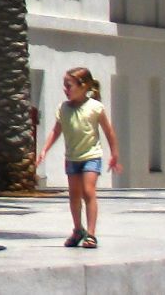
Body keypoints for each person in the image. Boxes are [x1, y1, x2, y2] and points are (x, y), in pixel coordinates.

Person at [35, 66, 120, 248]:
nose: (66, 90)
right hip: (72, 158)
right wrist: (44, 150)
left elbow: (109, 131)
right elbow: (56, 130)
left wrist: (114, 154)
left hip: (91, 156)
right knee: (74, 195)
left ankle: (91, 234)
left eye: (69, 85)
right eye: (64, 86)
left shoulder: (95, 107)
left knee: (88, 192)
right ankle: (77, 229)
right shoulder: (64, 108)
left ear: (83, 86)